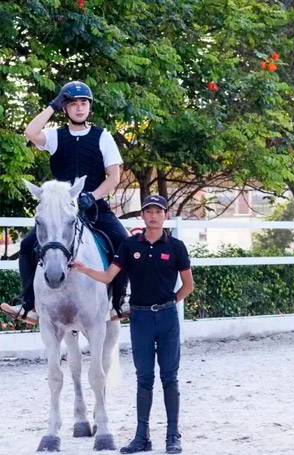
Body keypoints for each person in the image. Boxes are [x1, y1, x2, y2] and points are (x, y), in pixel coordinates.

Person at [72, 195, 194, 454]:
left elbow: (188, 285)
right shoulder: (128, 245)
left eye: (157, 211)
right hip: (139, 318)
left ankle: (173, 435)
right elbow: (107, 276)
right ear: (142, 216)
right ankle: (142, 436)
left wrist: (170, 302)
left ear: (165, 216)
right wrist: (84, 269)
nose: (153, 216)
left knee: (169, 377)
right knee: (144, 378)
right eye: (148, 211)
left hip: (167, 318)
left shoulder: (176, 247)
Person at [1, 81, 129, 324]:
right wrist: (51, 105)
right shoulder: (55, 136)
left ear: (89, 108)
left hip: (95, 207)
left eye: (83, 103)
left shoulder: (103, 137)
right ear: (65, 109)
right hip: (60, 211)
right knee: (28, 246)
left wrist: (93, 196)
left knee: (123, 240)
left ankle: (118, 301)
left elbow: (114, 177)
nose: (79, 108)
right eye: (73, 104)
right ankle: (29, 306)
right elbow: (30, 132)